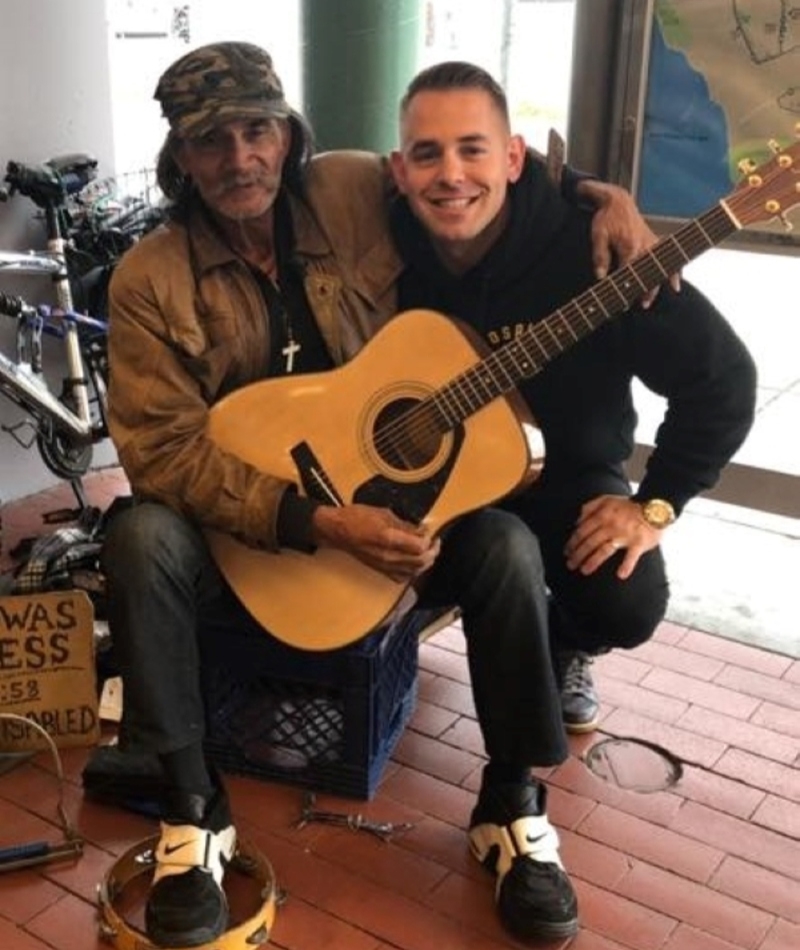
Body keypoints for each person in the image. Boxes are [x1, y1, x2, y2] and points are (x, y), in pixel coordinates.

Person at [100, 42, 721, 948]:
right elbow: (160, 451)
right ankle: (192, 810)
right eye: (210, 142)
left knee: (506, 544)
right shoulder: (148, 280)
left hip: (393, 520)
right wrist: (314, 519)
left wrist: (604, 195)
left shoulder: (350, 190)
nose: (240, 159)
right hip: (244, 542)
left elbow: (472, 164)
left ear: (288, 134)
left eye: (257, 130)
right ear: (180, 159)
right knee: (139, 535)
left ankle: (511, 804)